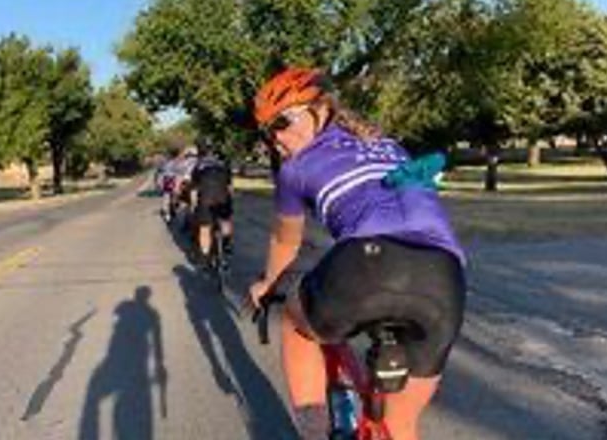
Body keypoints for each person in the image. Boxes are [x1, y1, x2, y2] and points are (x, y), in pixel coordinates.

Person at [247, 67, 466, 440]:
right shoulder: (391, 146)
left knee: (295, 323)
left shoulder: (294, 169)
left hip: (366, 265)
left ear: (320, 109)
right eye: (267, 132)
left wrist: (268, 285)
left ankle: (313, 433)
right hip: (445, 276)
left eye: (281, 123)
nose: (275, 139)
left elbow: (286, 242)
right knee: (400, 426)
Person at [187, 147, 233, 266]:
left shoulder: (198, 166)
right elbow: (229, 188)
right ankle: (226, 244)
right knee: (225, 221)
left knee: (205, 228)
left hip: (206, 199)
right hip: (223, 198)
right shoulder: (223, 165)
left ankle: (205, 256)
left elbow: (194, 190)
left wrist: (193, 206)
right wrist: (230, 202)